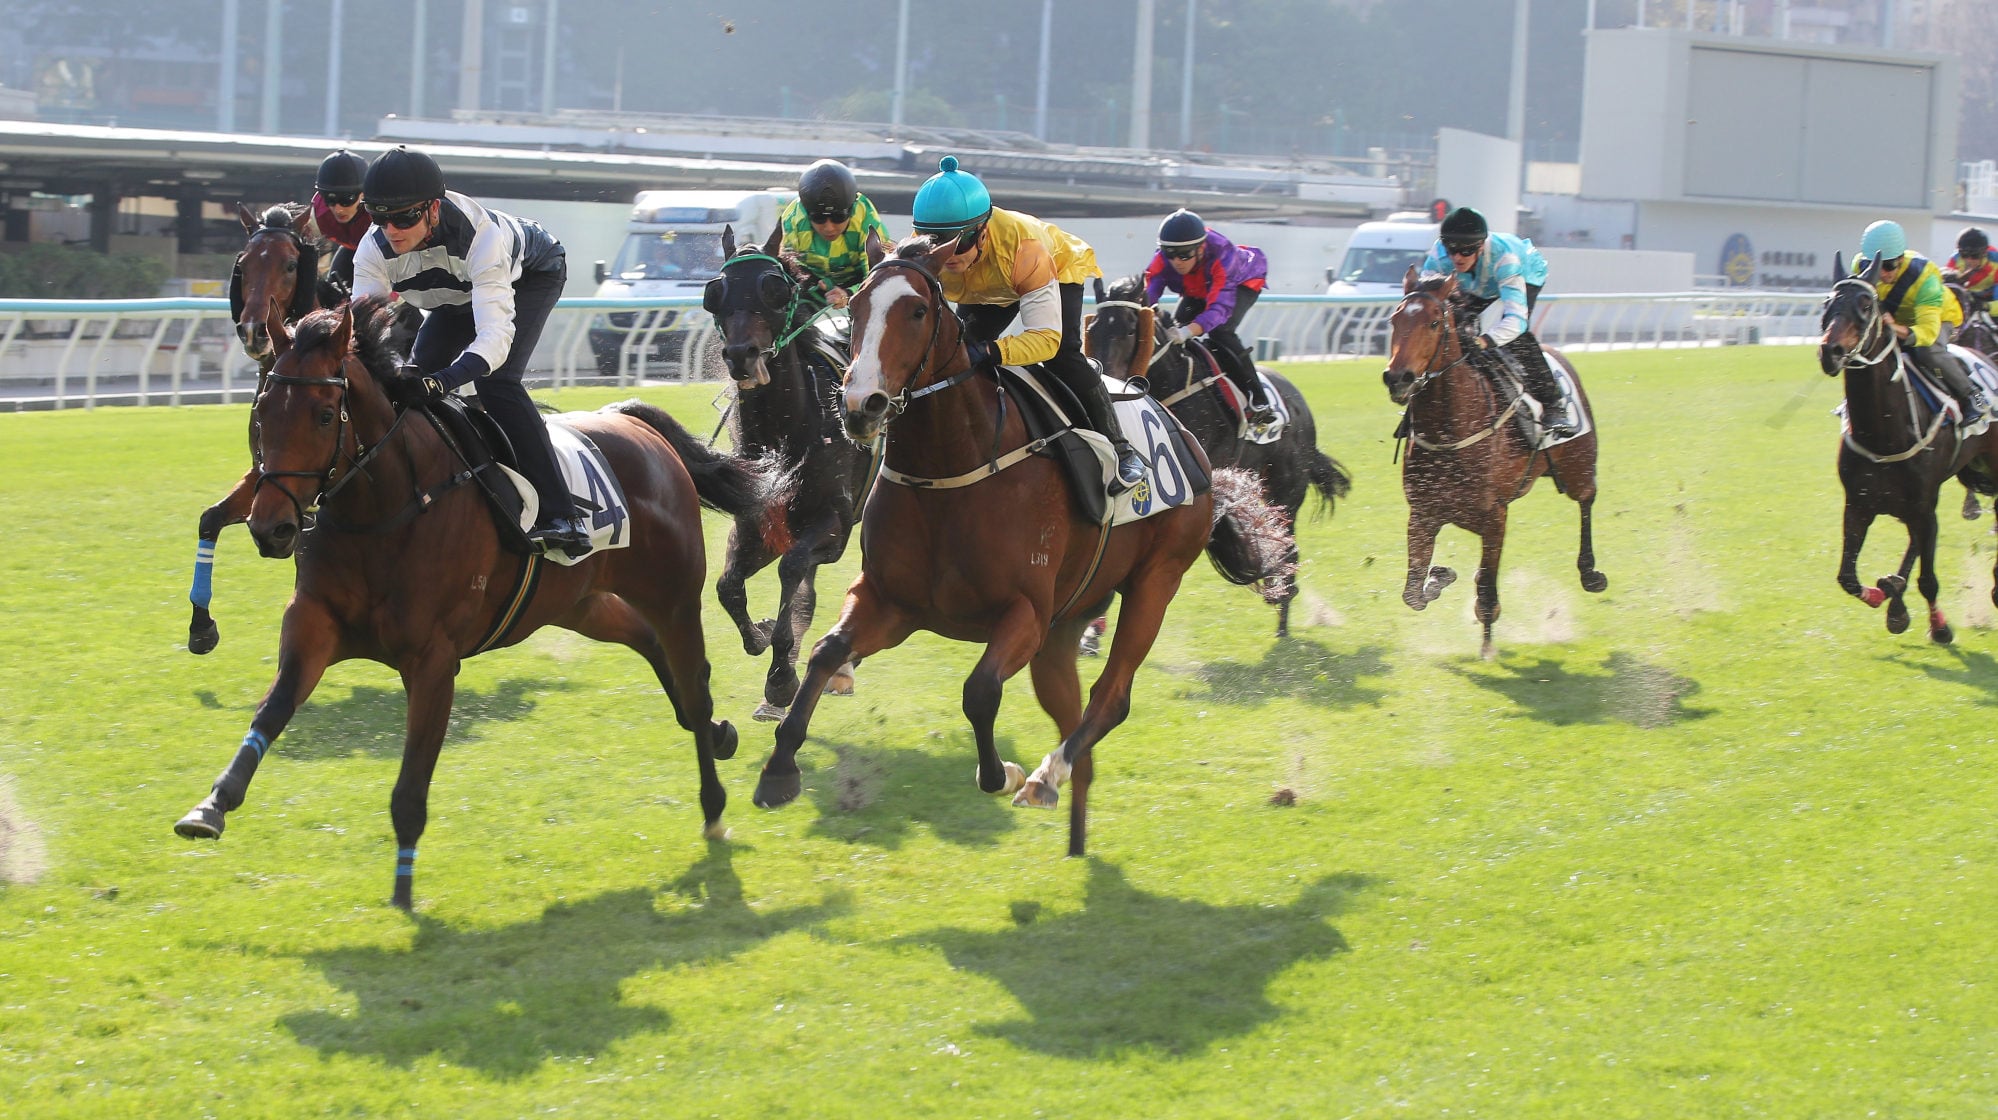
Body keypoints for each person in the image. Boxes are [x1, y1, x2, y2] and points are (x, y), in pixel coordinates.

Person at [350, 145, 590, 558]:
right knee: (407, 387)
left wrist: (442, 382)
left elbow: (494, 341)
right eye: (379, 216)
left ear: (434, 209)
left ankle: (562, 515)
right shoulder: (372, 251)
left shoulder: (481, 236)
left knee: (496, 381)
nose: (391, 229)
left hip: (530, 275)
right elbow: (365, 336)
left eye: (405, 216)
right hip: (454, 297)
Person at [910, 156, 1146, 495]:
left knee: (1061, 356)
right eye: (936, 242)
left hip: (1050, 269)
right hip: (988, 283)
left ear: (983, 230)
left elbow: (1045, 340)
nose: (948, 255)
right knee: (955, 357)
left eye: (958, 242)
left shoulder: (1026, 249)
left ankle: (1121, 449)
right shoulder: (920, 251)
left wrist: (994, 350)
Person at [1421, 207, 1572, 438]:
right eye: (1452, 250)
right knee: (1449, 330)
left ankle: (1554, 406)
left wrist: (1483, 341)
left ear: (1481, 246)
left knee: (1516, 340)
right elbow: (1427, 304)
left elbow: (1516, 320)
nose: (1458, 257)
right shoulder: (1438, 257)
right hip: (1476, 282)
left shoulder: (1506, 258)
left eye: (1466, 250)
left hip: (1526, 272)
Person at [1141, 209, 1276, 426]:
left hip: (1240, 283)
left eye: (1184, 254)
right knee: (1174, 334)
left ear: (1201, 248)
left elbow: (1219, 311)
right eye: (1170, 254)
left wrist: (1187, 331)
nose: (1177, 261)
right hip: (1199, 286)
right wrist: (1148, 309)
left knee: (1220, 332)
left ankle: (1257, 398)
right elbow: (1150, 288)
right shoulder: (1165, 259)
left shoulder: (1223, 256)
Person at [1858, 219, 1986, 431]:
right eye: (1875, 266)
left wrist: (1893, 327)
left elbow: (1927, 333)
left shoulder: (1926, 278)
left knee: (1927, 352)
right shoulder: (1860, 267)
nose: (1881, 274)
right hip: (1898, 317)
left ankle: (1973, 395)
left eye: (1888, 266)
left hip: (1940, 318)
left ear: (1901, 259)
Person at [779, 159, 893, 311]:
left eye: (838, 217)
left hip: (858, 280)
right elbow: (784, 273)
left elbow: (880, 275)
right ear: (806, 213)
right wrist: (811, 282)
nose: (829, 227)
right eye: (818, 218)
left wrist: (849, 294)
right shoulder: (793, 219)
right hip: (811, 283)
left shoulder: (867, 219)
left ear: (851, 210)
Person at [299, 149, 372, 293]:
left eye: (346, 200)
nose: (338, 209)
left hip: (394, 256)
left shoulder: (379, 214)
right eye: (330, 199)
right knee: (331, 290)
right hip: (352, 249)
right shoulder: (317, 213)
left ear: (363, 195)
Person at [1948, 227, 1997, 310]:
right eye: (1964, 254)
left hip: (1991, 299)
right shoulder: (1955, 259)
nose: (1969, 260)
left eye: (1975, 255)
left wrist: (1985, 306)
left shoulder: (1995, 262)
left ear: (1984, 252)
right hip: (1968, 297)